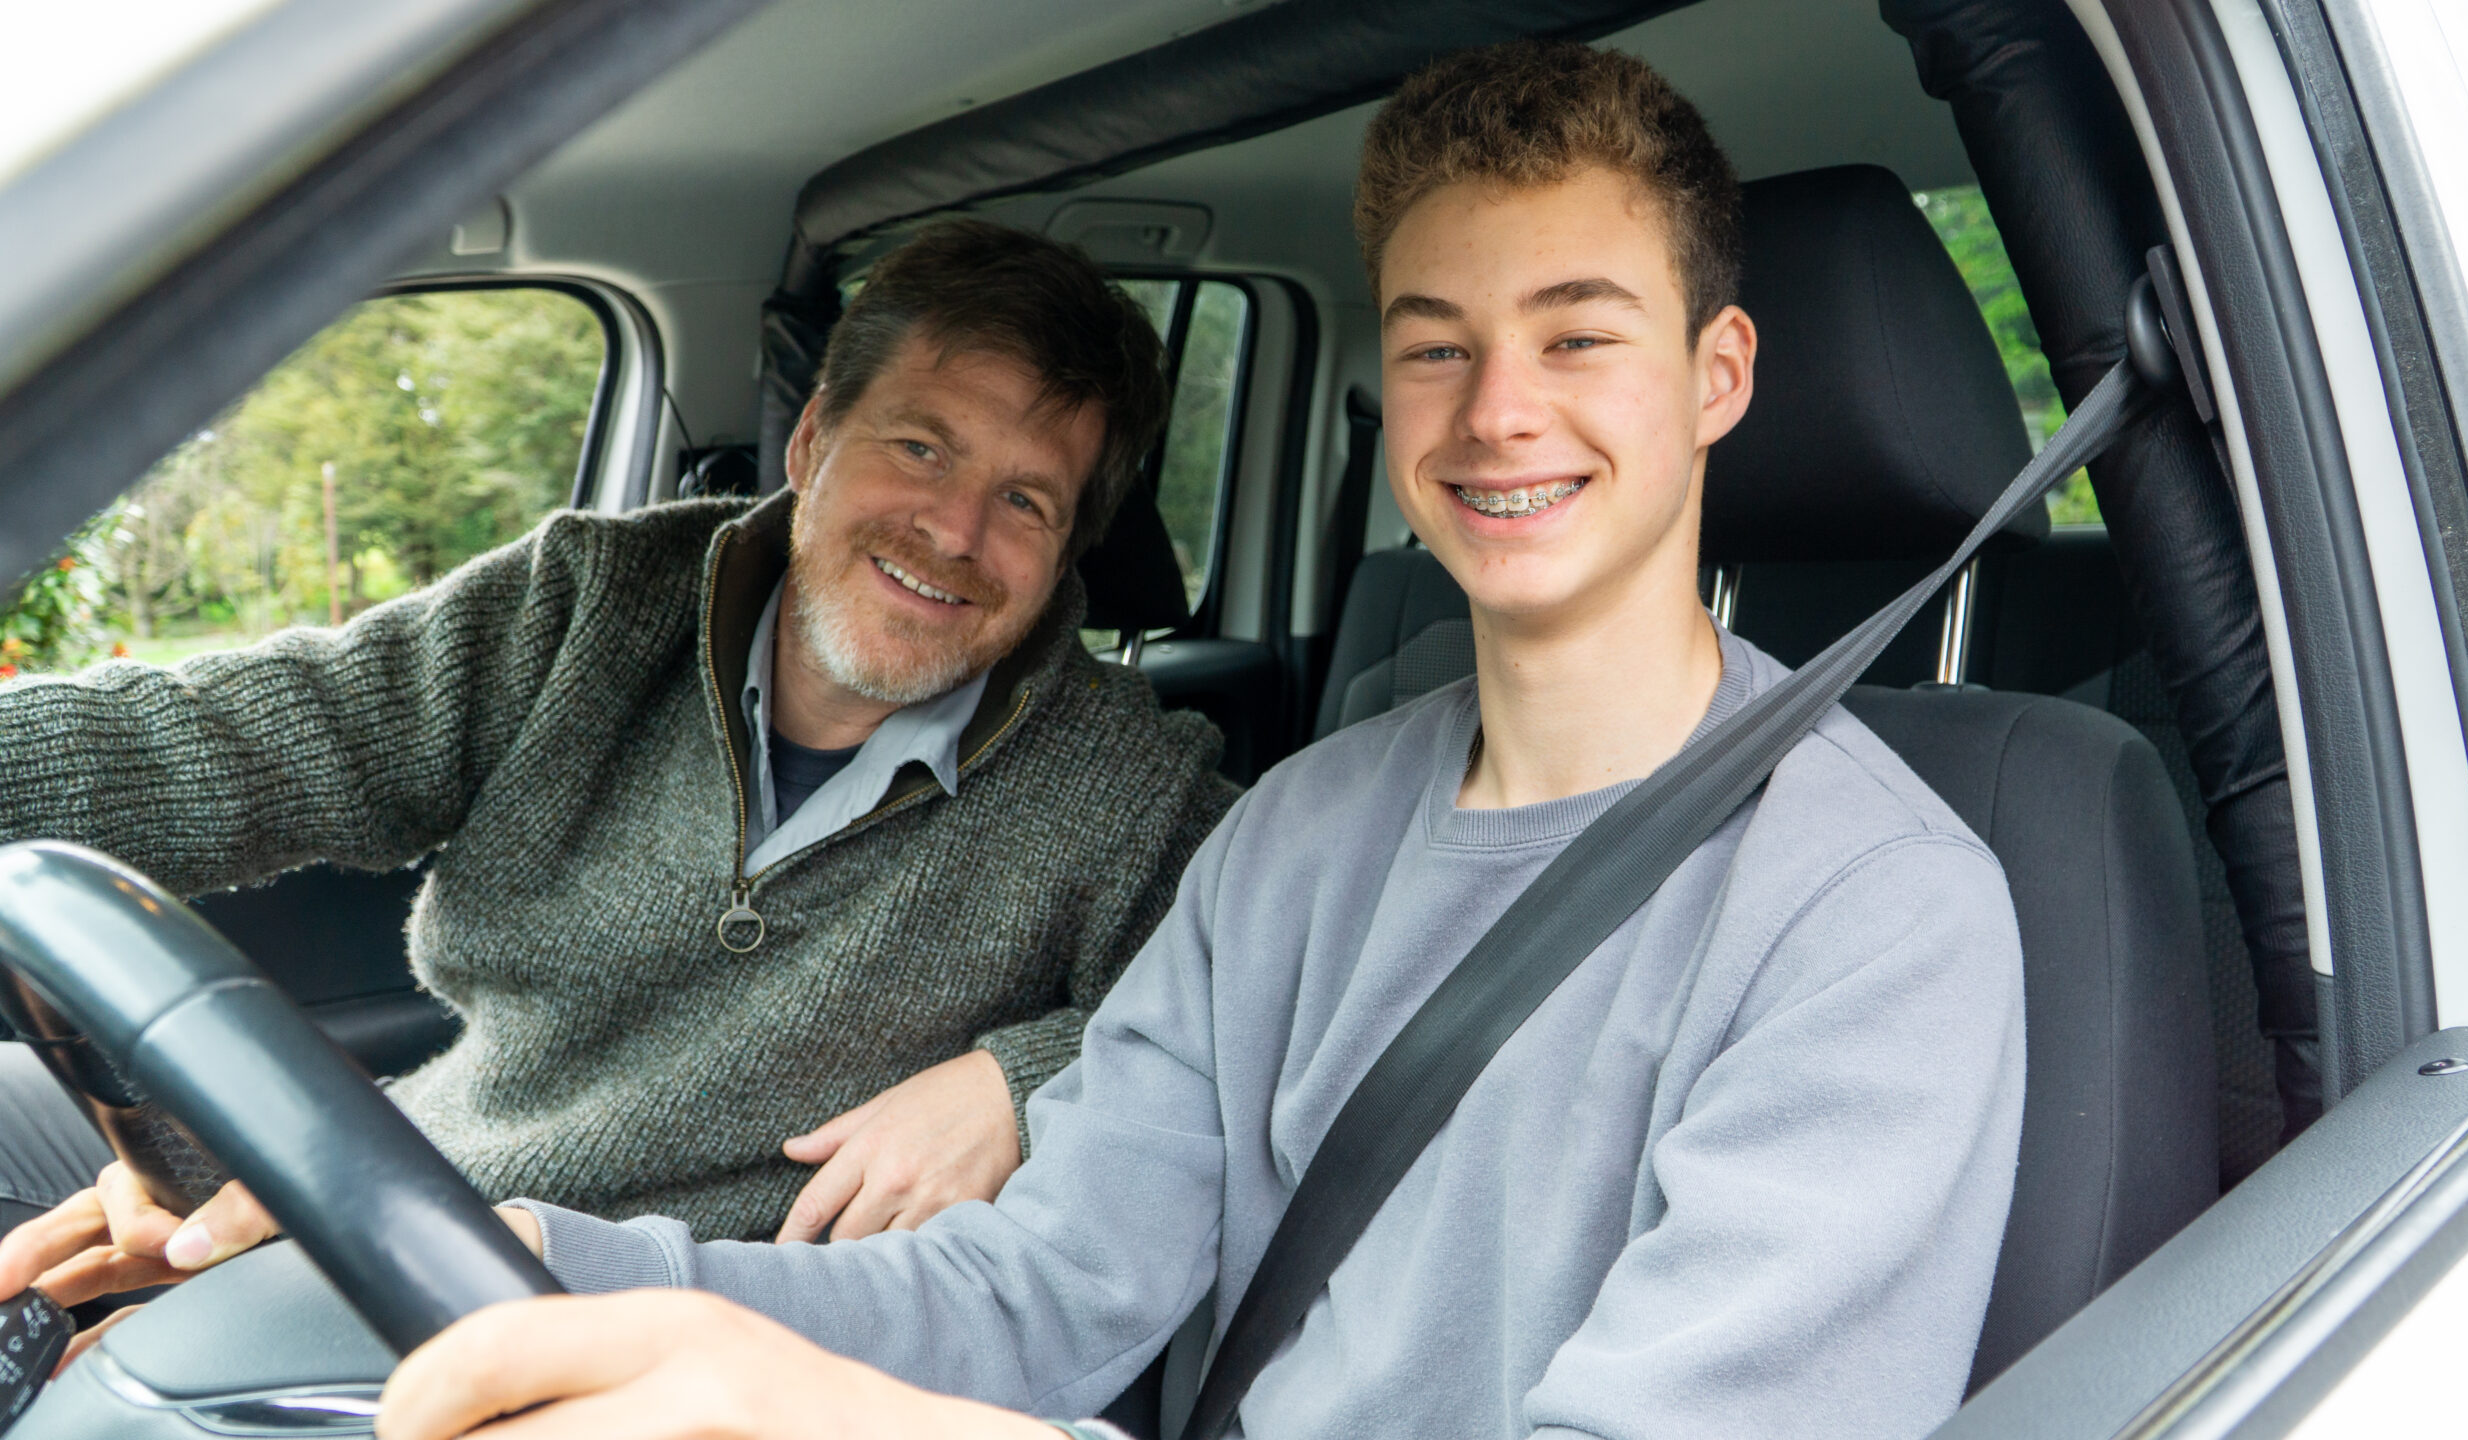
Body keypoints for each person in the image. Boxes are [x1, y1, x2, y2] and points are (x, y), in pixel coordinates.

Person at [6, 40, 2026, 1440]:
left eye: (1577, 334)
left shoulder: (1877, 918)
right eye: (1435, 345)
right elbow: (1035, 1297)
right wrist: (505, 1245)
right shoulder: (1299, 839)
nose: (1497, 410)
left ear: (1717, 377)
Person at [0, 220, 1239, 1259]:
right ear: (811, 444)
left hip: (602, 1306)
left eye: (1024, 500)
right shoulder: (591, 605)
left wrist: (1022, 1084)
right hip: (400, 1159)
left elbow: (1279, 1008)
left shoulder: (1127, 783)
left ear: (1068, 547)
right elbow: (221, 744)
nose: (955, 530)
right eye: (920, 447)